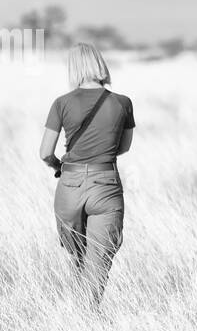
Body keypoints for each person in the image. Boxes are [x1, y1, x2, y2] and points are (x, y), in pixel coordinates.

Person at [38, 43, 135, 305]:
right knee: (99, 258)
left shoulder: (62, 103)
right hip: (106, 183)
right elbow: (123, 147)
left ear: (75, 68)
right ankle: (89, 313)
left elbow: (45, 152)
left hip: (69, 184)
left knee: (77, 254)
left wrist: (59, 166)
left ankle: (79, 312)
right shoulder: (123, 103)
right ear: (100, 65)